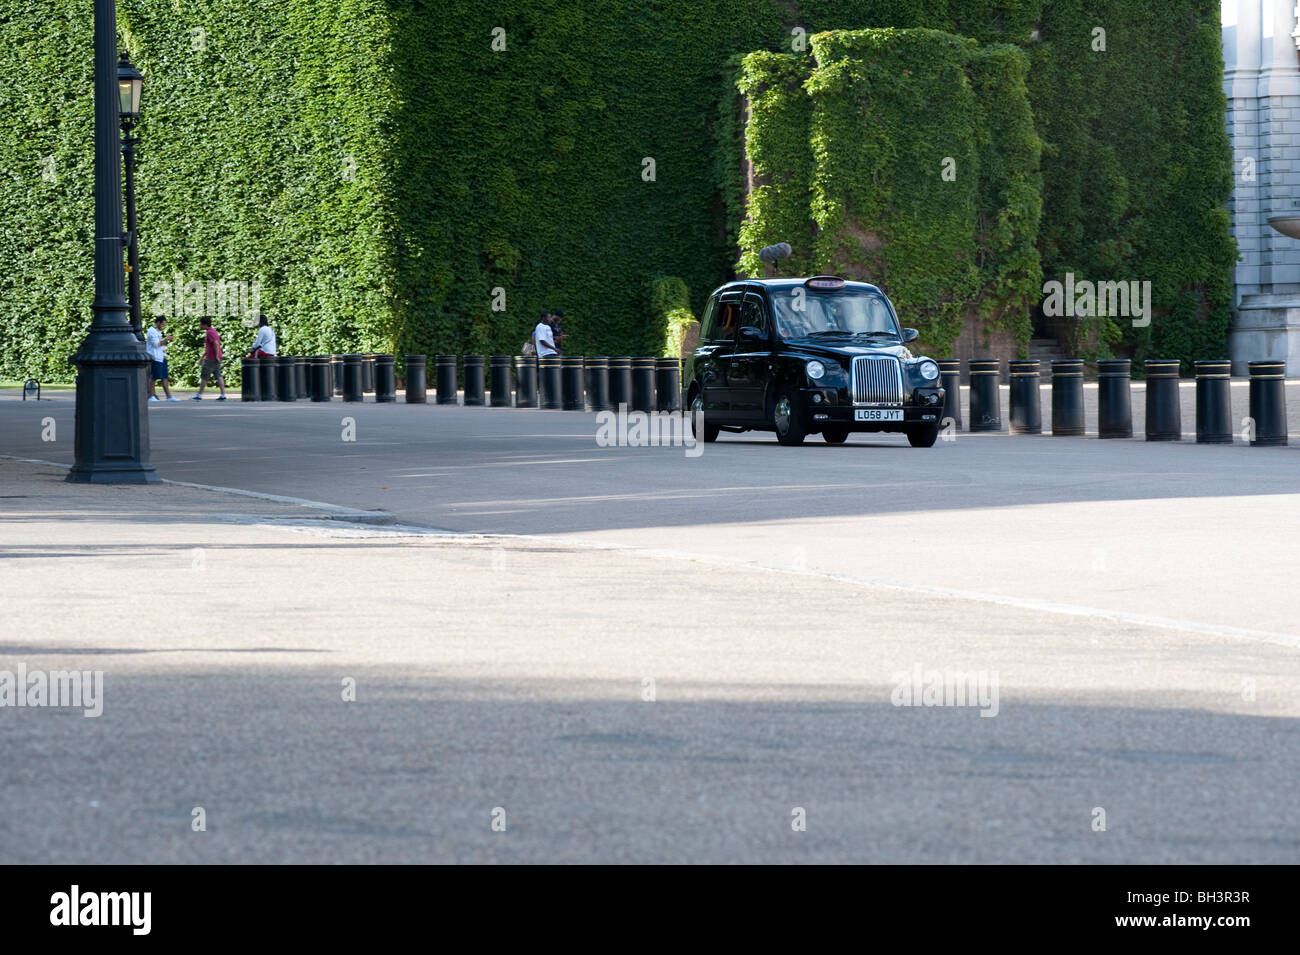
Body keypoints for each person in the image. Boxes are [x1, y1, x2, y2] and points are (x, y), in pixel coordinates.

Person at [192, 316, 228, 400]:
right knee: (218, 375)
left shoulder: (210, 332)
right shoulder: (213, 331)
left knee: (204, 376)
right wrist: (202, 357)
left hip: (211, 358)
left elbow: (215, 344)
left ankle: (199, 395)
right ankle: (223, 394)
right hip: (215, 357)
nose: (200, 325)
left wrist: (215, 356)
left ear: (205, 324)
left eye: (200, 324)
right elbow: (209, 347)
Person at [145, 316, 179, 402]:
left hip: (161, 357)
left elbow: (161, 345)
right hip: (155, 357)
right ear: (157, 323)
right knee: (153, 377)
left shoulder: (157, 331)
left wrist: (164, 353)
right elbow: (157, 345)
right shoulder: (152, 331)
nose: (163, 326)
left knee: (164, 377)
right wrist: (167, 339)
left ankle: (169, 397)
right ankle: (151, 396)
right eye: (162, 325)